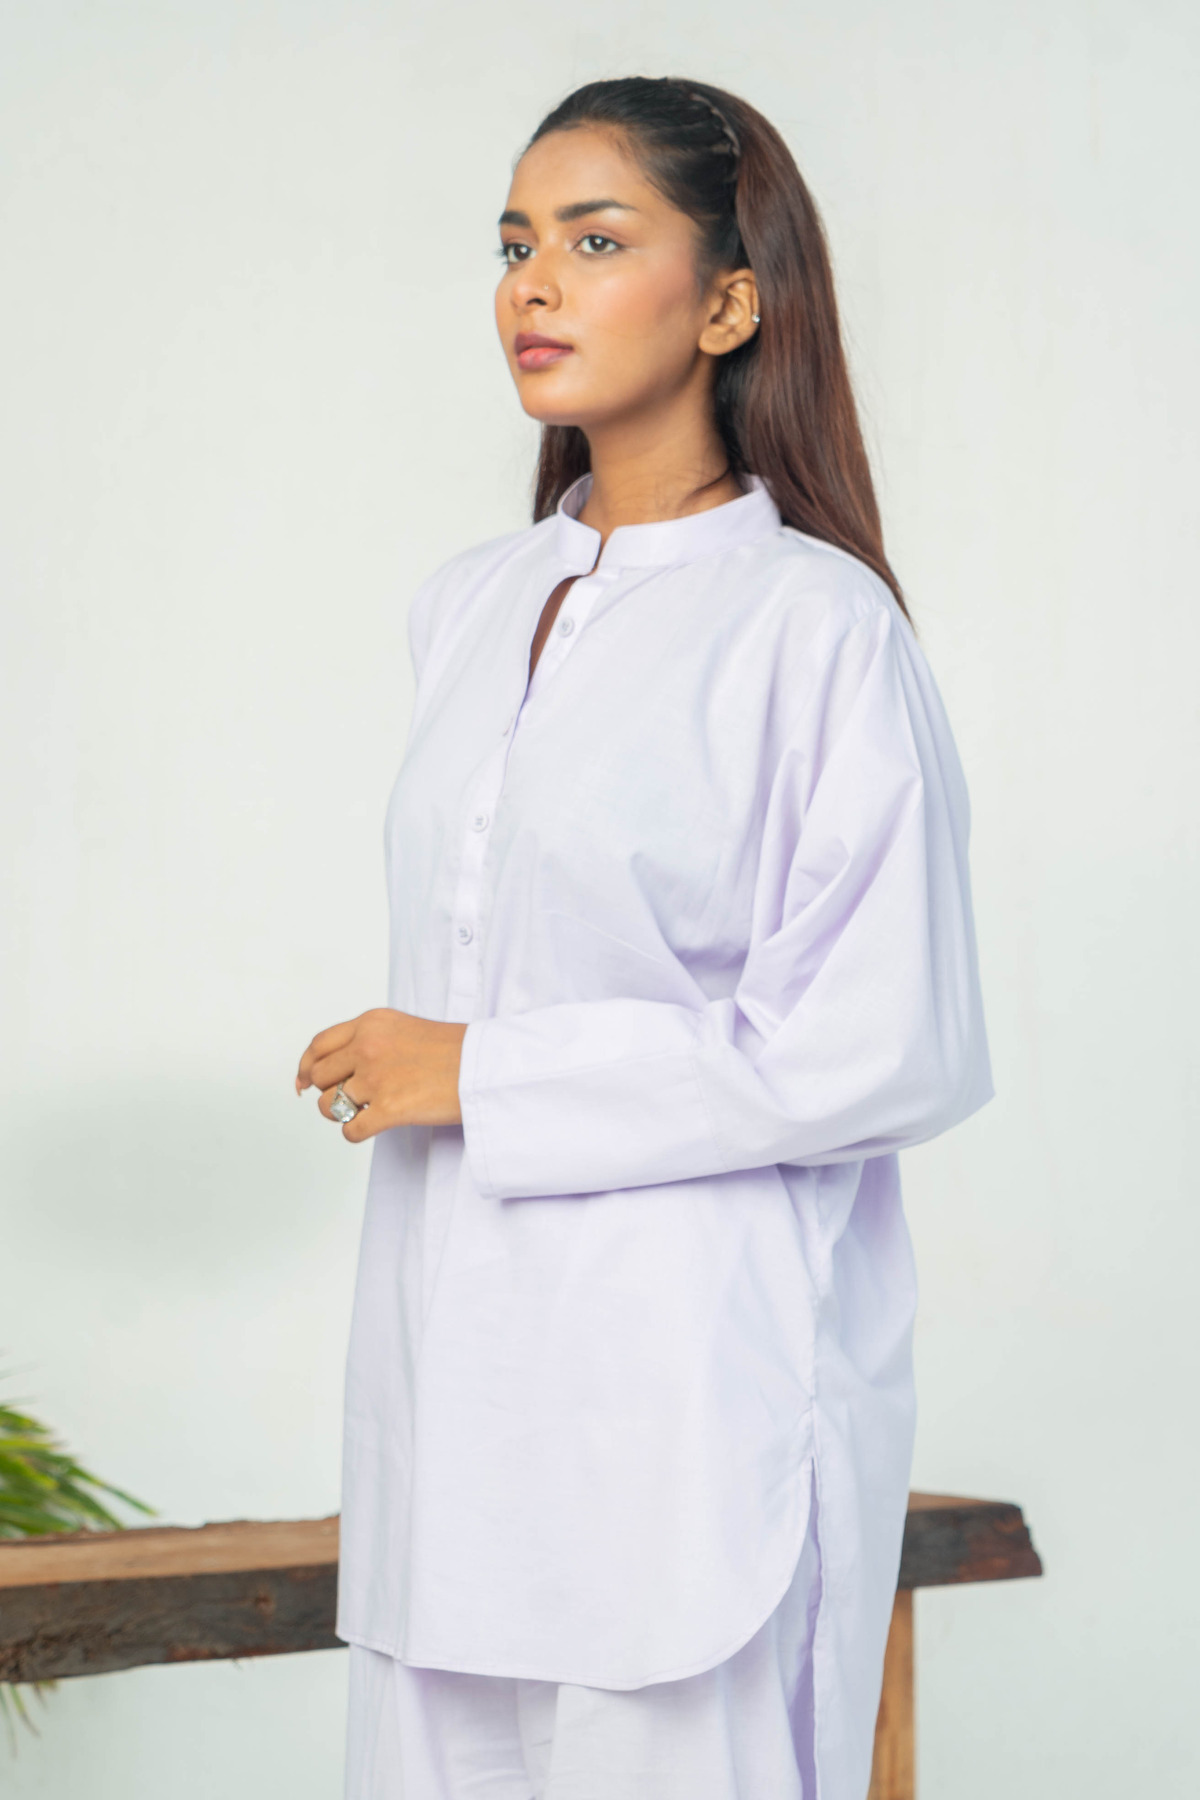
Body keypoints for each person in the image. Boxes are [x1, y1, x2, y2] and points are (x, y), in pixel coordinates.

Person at [295, 74, 992, 1800]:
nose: (534, 283)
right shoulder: (470, 606)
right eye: (515, 244)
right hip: (451, 1401)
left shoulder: (817, 629)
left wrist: (479, 1074)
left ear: (731, 301)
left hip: (687, 1409)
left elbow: (882, 1046)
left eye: (597, 241)